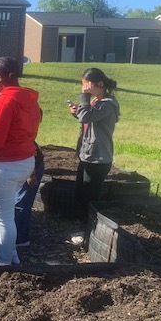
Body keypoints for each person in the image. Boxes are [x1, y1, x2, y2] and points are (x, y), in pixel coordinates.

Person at [0, 57, 41, 266]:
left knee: (3, 217)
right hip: (24, 161)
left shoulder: (5, 102)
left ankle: (4, 264)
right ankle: (11, 255)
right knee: (3, 214)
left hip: (2, 166)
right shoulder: (29, 100)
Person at [69, 68, 119, 223]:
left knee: (89, 199)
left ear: (100, 84)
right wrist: (76, 112)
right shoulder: (97, 102)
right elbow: (86, 118)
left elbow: (86, 117)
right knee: (80, 193)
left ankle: (89, 232)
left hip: (98, 158)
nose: (85, 90)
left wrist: (84, 98)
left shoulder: (108, 104)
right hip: (88, 155)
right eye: (84, 87)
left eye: (87, 86)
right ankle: (83, 228)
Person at [14, 142, 44, 247]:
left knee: (21, 203)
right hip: (17, 165)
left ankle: (21, 239)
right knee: (16, 202)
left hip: (31, 166)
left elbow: (27, 147)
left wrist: (31, 173)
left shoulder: (18, 132)